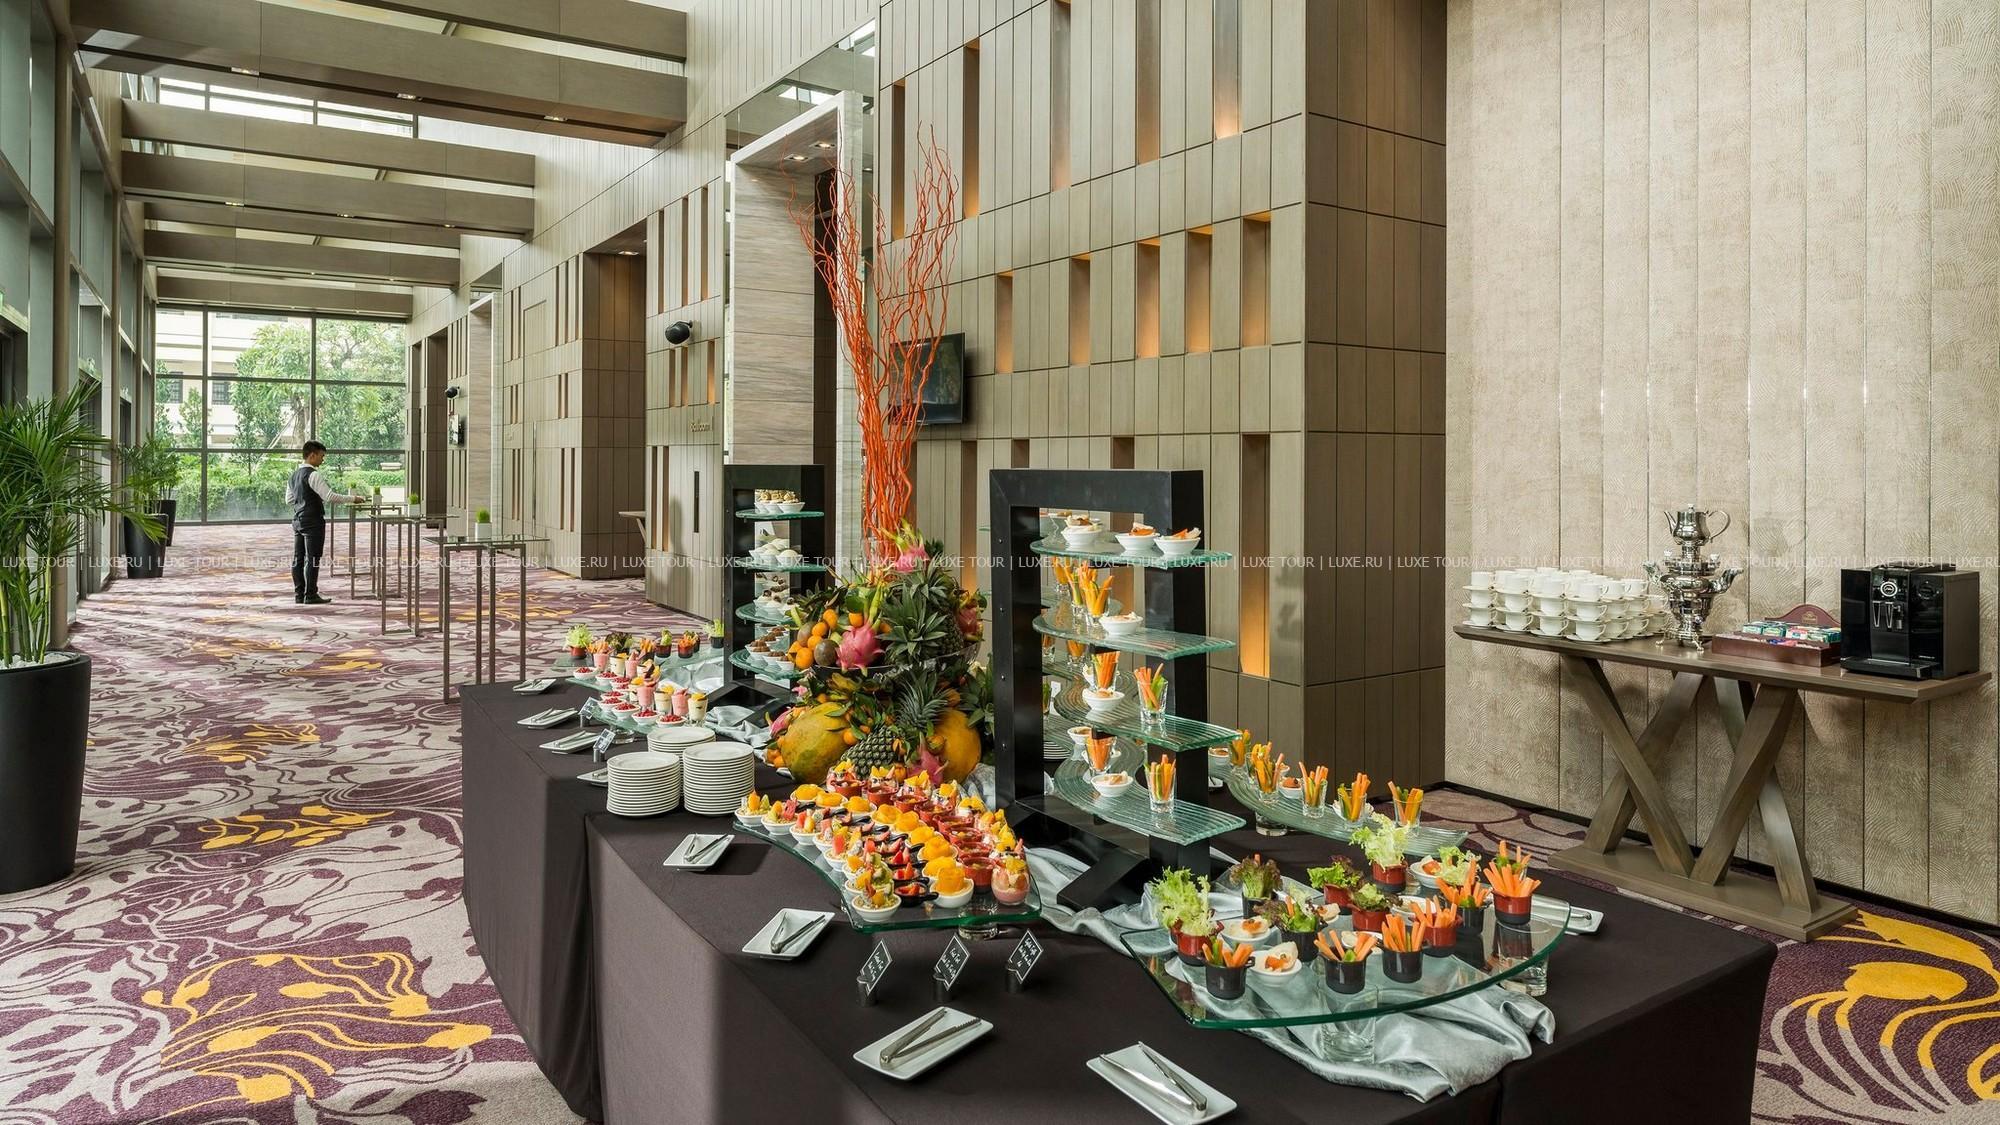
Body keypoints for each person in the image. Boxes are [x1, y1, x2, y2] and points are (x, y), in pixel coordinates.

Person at [286, 441, 364, 605]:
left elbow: (289, 500)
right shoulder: (313, 475)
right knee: (313, 558)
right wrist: (353, 499)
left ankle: (299, 594)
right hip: (313, 521)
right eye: (322, 456)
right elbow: (329, 496)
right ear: (312, 455)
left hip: (298, 520)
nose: (323, 459)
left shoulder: (293, 475)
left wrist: (303, 502)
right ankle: (310, 595)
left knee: (298, 558)